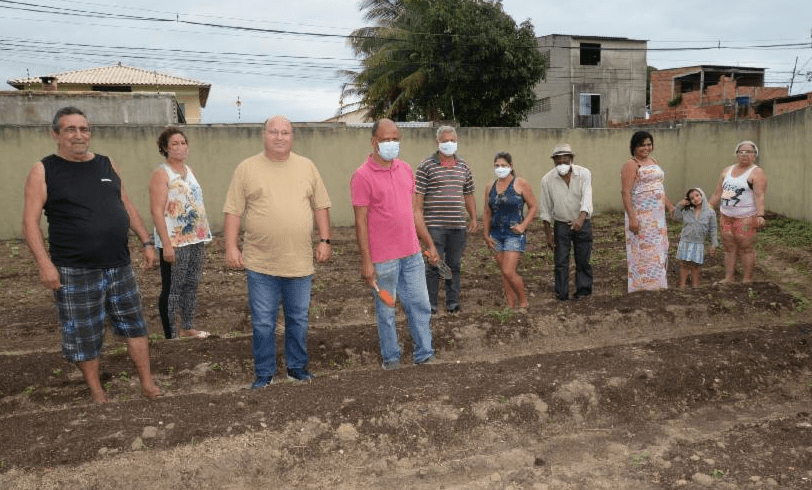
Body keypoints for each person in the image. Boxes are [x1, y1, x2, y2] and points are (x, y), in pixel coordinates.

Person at [21, 106, 161, 403]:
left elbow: (125, 204)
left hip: (118, 265)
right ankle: (98, 393)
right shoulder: (44, 170)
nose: (78, 135)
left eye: (83, 129)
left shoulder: (106, 164)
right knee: (85, 334)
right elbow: (29, 223)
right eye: (70, 129)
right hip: (74, 269)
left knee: (136, 326)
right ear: (55, 134)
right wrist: (45, 265)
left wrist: (146, 241)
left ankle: (147, 385)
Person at [223, 115, 332, 389]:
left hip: (299, 262)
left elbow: (321, 206)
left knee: (298, 320)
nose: (280, 137)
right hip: (261, 263)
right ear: (264, 135)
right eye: (274, 132)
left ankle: (296, 368)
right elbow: (233, 210)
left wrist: (325, 240)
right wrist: (231, 246)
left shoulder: (307, 167)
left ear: (292, 136)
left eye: (285, 132)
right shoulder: (247, 168)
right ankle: (264, 373)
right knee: (262, 323)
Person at [351, 118, 439, 370]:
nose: (391, 143)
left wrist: (429, 244)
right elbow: (360, 223)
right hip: (383, 261)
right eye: (386, 139)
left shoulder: (405, 169)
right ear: (374, 142)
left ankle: (424, 353)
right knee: (387, 310)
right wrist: (366, 262)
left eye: (395, 139)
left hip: (411, 255)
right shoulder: (362, 176)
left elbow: (415, 213)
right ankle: (391, 358)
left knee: (420, 304)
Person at [149, 127, 212, 340]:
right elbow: (157, 211)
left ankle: (187, 327)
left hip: (195, 237)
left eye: (183, 143)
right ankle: (171, 336)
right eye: (174, 144)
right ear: (165, 148)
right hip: (174, 241)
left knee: (191, 284)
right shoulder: (161, 173)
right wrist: (166, 244)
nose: (180, 147)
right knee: (173, 287)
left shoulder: (189, 170)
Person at [415, 125, 478, 314]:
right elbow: (418, 199)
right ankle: (431, 304)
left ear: (457, 142)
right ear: (437, 142)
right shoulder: (426, 165)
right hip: (434, 227)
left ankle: (452, 302)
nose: (449, 144)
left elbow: (468, 194)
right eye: (445, 140)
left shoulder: (463, 166)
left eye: (452, 140)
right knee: (434, 265)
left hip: (458, 227)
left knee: (454, 265)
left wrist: (473, 217)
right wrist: (419, 224)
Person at [620, 131, 675, 292]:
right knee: (642, 250)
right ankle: (642, 287)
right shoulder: (631, 164)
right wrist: (633, 219)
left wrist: (670, 206)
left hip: (657, 217)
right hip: (641, 216)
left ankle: (657, 285)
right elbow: (625, 192)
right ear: (634, 147)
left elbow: (658, 189)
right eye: (642, 145)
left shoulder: (654, 161)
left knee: (658, 249)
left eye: (648, 144)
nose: (646, 148)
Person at [539, 143, 594, 301]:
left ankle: (583, 292)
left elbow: (587, 198)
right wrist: (548, 235)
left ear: (571, 159)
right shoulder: (547, 180)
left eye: (565, 161)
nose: (562, 164)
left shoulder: (584, 174)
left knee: (583, 259)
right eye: (558, 161)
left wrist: (580, 219)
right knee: (561, 261)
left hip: (583, 222)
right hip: (561, 224)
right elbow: (545, 208)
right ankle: (561, 294)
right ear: (554, 161)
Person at [482, 152, 538, 308]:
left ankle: (523, 301)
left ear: (511, 166)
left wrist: (523, 226)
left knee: (508, 271)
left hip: (514, 234)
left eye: (503, 165)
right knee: (504, 273)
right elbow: (487, 213)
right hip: (496, 235)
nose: (500, 168)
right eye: (497, 166)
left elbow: (533, 207)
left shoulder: (520, 183)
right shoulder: (490, 187)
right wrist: (486, 234)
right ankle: (510, 305)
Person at [708, 141, 767, 283]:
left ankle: (747, 278)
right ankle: (729, 277)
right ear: (736, 154)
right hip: (726, 216)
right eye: (741, 151)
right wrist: (709, 207)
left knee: (745, 247)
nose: (745, 154)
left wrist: (760, 215)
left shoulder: (757, 172)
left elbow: (759, 195)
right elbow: (718, 193)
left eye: (749, 152)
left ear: (754, 155)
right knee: (729, 247)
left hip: (745, 217)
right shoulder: (727, 170)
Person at [673, 188, 718, 288]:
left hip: (698, 242)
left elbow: (713, 229)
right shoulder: (687, 211)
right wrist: (680, 206)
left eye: (697, 195)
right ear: (689, 200)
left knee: (695, 265)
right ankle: (682, 285)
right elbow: (676, 218)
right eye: (692, 198)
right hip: (686, 241)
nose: (695, 199)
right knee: (685, 264)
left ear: (702, 195)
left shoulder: (710, 213)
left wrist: (713, 244)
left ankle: (696, 285)